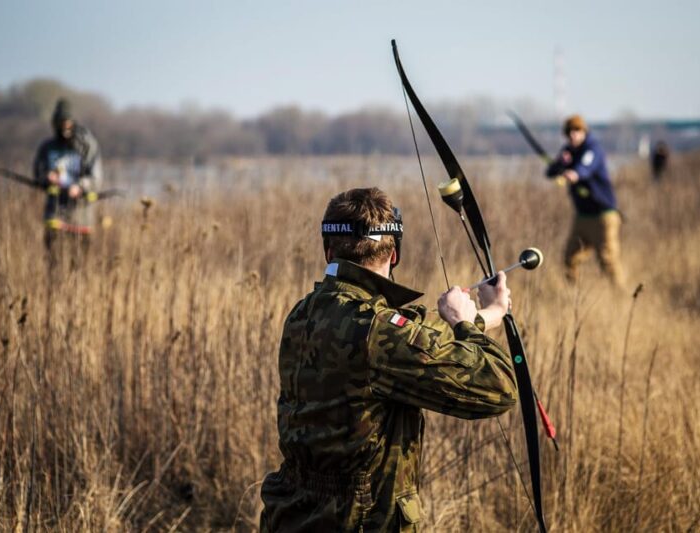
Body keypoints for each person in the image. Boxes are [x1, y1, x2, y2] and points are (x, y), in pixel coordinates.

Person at [260, 187, 518, 532]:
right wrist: (464, 324)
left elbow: (402, 335)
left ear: (328, 250)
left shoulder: (304, 312)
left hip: (292, 517)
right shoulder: (379, 333)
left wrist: (487, 315)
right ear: (393, 254)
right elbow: (498, 387)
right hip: (360, 521)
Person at [546, 114, 625, 287]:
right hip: (582, 216)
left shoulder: (593, 149)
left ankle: (623, 297)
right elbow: (550, 172)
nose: (573, 135)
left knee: (608, 261)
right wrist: (560, 163)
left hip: (603, 215)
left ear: (584, 131)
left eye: (577, 130)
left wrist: (574, 173)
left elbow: (585, 167)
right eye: (569, 132)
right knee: (569, 258)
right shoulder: (568, 151)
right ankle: (574, 295)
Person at [33, 98, 103, 251]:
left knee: (78, 267)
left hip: (81, 218)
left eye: (67, 122)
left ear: (73, 122)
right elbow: (38, 174)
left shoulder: (87, 146)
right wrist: (46, 177)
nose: (64, 127)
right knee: (54, 264)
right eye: (60, 122)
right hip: (55, 215)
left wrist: (80, 186)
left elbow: (96, 178)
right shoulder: (47, 148)